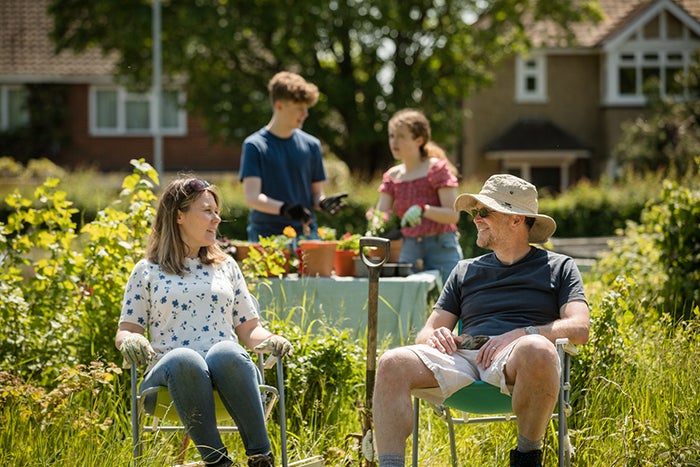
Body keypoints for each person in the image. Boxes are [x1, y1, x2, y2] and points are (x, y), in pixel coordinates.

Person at [372, 174, 590, 467]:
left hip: (516, 360)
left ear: (516, 219)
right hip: (461, 358)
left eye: (484, 211)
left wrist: (521, 334)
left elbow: (580, 327)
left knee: (537, 348)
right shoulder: (464, 270)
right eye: (475, 212)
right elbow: (428, 331)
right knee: (391, 362)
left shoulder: (559, 267)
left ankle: (526, 459)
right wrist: (435, 337)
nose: (476, 219)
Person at [115, 177, 293, 467]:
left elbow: (249, 330)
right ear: (179, 216)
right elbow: (127, 330)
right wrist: (132, 340)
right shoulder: (147, 270)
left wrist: (271, 339)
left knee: (226, 351)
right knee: (185, 359)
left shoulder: (226, 266)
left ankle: (262, 458)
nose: (217, 218)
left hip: (230, 378)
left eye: (216, 211)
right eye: (207, 210)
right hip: (167, 381)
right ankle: (218, 462)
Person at [239, 71, 347, 241]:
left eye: (306, 108)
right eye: (299, 108)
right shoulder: (255, 146)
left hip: (306, 233)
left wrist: (323, 202)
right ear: (279, 105)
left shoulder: (312, 145)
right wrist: (284, 208)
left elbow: (316, 194)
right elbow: (252, 197)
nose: (305, 114)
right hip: (267, 236)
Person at [374, 108, 462, 282]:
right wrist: (375, 223)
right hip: (409, 247)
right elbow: (380, 215)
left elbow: (453, 215)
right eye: (391, 136)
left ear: (419, 140)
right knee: (407, 304)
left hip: (442, 246)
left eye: (401, 136)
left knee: (454, 303)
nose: (394, 141)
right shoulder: (392, 176)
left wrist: (423, 209)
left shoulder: (436, 169)